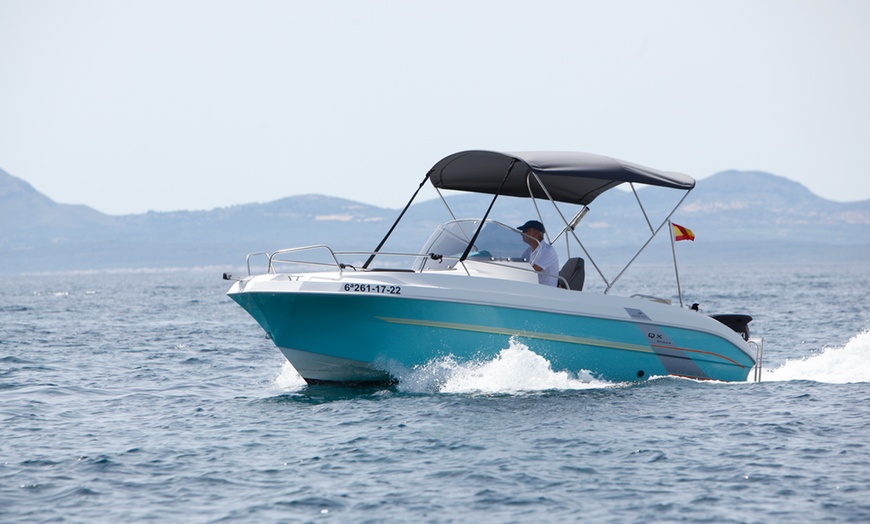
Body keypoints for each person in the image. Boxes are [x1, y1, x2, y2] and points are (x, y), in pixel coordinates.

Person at [517, 220, 559, 286]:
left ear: (536, 233)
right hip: (534, 288)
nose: (522, 233)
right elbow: (519, 266)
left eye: (525, 231)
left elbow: (532, 271)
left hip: (546, 291)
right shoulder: (528, 251)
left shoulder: (547, 251)